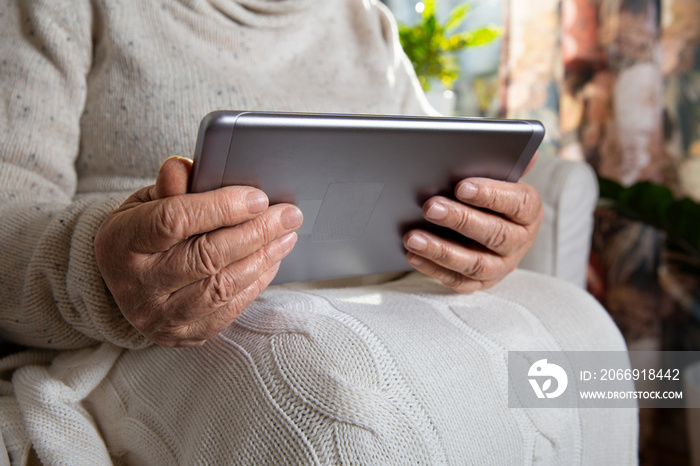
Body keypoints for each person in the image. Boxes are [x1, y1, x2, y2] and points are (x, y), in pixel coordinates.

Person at [0, 0, 637, 464]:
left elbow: (435, 165)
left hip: (376, 297)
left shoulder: (366, 21)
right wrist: (102, 268)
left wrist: (485, 234)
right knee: (336, 407)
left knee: (589, 340)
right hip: (148, 329)